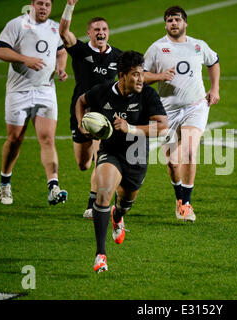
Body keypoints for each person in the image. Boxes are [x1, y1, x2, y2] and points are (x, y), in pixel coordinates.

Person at [75, 51, 168, 272]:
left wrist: (131, 128)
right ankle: (100, 254)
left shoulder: (147, 94)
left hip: (136, 157)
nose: (140, 79)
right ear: (122, 76)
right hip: (111, 152)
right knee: (104, 191)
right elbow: (81, 101)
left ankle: (118, 216)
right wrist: (81, 125)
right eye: (135, 75)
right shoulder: (103, 91)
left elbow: (163, 127)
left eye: (142, 74)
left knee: (124, 204)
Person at [143, 6, 220, 222]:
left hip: (196, 106)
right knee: (172, 162)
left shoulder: (198, 46)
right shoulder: (157, 48)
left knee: (188, 152)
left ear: (185, 23)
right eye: (169, 20)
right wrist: (158, 76)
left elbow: (213, 62)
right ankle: (179, 198)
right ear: (165, 24)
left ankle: (186, 204)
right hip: (167, 110)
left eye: (177, 19)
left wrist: (214, 89)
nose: (173, 23)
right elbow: (140, 74)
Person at [0, 0, 68, 206]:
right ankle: (5, 183)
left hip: (45, 90)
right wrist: (24, 59)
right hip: (19, 92)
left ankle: (53, 187)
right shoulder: (17, 24)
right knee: (15, 139)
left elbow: (61, 52)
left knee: (47, 139)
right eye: (40, 3)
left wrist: (61, 68)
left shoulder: (55, 28)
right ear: (31, 5)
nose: (44, 7)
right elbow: (0, 51)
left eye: (47, 4)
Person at [59, 0, 122, 218]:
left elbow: (136, 75)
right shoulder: (81, 51)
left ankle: (93, 204)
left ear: (108, 32)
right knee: (83, 163)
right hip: (80, 112)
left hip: (104, 114)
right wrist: (70, 6)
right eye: (96, 30)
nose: (101, 33)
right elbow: (64, 32)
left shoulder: (118, 57)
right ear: (89, 33)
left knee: (100, 157)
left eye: (104, 29)